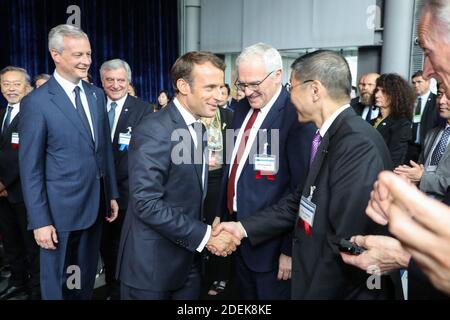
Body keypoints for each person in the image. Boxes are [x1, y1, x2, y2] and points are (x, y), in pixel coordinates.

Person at [212, 50, 397, 299]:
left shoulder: (355, 143)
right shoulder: (330, 136)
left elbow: (349, 239)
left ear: (315, 90)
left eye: (293, 86)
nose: (289, 95)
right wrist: (242, 228)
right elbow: (301, 199)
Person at [116, 51, 240, 300]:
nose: (219, 96)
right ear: (183, 86)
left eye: (221, 87)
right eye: (210, 87)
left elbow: (188, 190)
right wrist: (205, 236)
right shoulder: (154, 130)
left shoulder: (196, 127)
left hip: (187, 262)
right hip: (151, 268)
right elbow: (146, 203)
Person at [18, 24, 119, 300]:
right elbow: (31, 169)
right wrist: (39, 221)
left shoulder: (96, 95)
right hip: (57, 212)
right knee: (56, 282)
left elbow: (104, 151)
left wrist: (111, 193)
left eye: (88, 53)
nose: (86, 60)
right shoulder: (36, 103)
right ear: (56, 54)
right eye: (78, 55)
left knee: (85, 279)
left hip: (96, 206)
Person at [215, 43, 315, 300]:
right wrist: (220, 215)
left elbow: (301, 190)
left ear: (278, 75)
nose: (247, 91)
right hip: (235, 234)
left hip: (272, 247)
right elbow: (232, 168)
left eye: (254, 84)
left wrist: (290, 250)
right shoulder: (238, 110)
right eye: (242, 84)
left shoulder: (296, 116)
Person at [99, 59, 153, 300]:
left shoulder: (142, 109)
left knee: (126, 246)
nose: (115, 85)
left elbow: (142, 153)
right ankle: (110, 286)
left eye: (121, 80)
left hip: (127, 192)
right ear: (102, 81)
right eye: (110, 80)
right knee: (104, 246)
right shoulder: (92, 104)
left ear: (128, 81)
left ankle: (125, 289)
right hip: (97, 191)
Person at [0, 66, 40, 300]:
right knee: (11, 243)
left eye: (16, 84)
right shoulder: (2, 113)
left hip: (25, 193)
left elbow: (26, 156)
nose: (11, 89)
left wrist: (4, 183)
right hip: (3, 195)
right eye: (6, 84)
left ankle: (36, 290)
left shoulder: (33, 113)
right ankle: (17, 283)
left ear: (27, 87)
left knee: (31, 246)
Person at [394, 84, 450, 200]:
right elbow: (422, 168)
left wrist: (421, 177)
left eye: (448, 96)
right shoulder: (431, 134)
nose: (441, 101)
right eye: (439, 94)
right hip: (422, 203)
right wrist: (410, 175)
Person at [201, 103, 234, 296]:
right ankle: (203, 272)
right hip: (196, 177)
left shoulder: (227, 116)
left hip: (218, 178)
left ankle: (220, 275)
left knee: (218, 225)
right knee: (200, 226)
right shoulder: (193, 113)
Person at [373, 74, 414, 167]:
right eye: (377, 90)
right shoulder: (372, 121)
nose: (377, 95)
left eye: (384, 91)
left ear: (395, 95)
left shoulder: (402, 124)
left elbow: (395, 160)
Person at [406, 70, 439, 163]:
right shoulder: (409, 101)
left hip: (427, 146)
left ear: (428, 82)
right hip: (410, 146)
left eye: (419, 82)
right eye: (413, 82)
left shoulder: (437, 101)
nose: (416, 85)